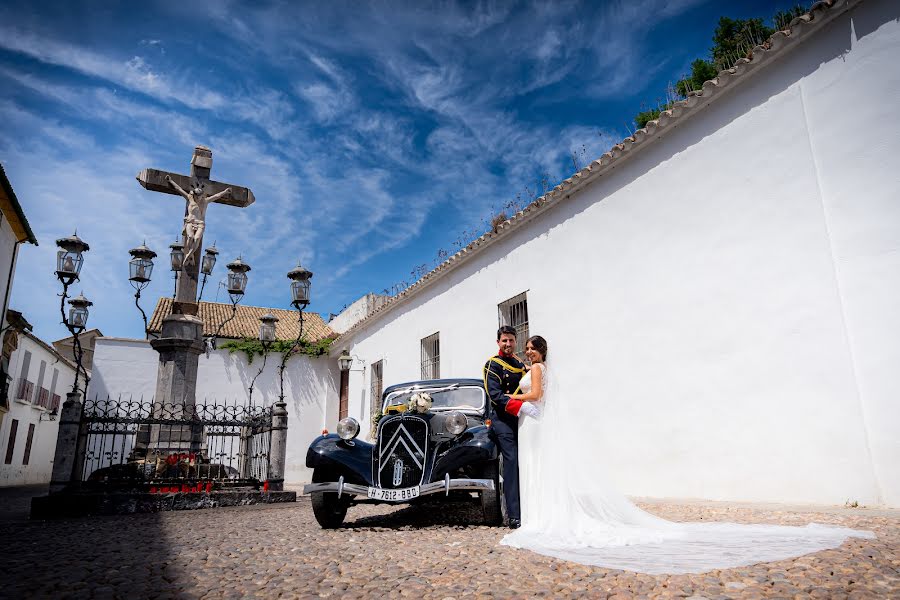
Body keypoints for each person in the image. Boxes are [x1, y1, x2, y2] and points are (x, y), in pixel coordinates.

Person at [500, 336, 875, 574]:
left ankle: (544, 516)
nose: (528, 351)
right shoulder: (537, 366)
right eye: (527, 348)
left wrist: (514, 398)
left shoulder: (535, 368)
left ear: (540, 351)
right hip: (534, 428)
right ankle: (540, 511)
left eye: (532, 347)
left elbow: (537, 397)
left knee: (539, 470)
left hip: (535, 422)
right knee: (537, 469)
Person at [482, 326, 539, 529]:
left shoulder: (519, 363)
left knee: (530, 460)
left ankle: (533, 507)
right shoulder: (492, 365)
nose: (508, 344)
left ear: (516, 342)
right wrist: (520, 405)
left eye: (511, 340)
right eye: (504, 340)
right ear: (498, 342)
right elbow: (495, 395)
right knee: (512, 460)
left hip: (522, 421)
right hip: (502, 421)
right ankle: (515, 515)